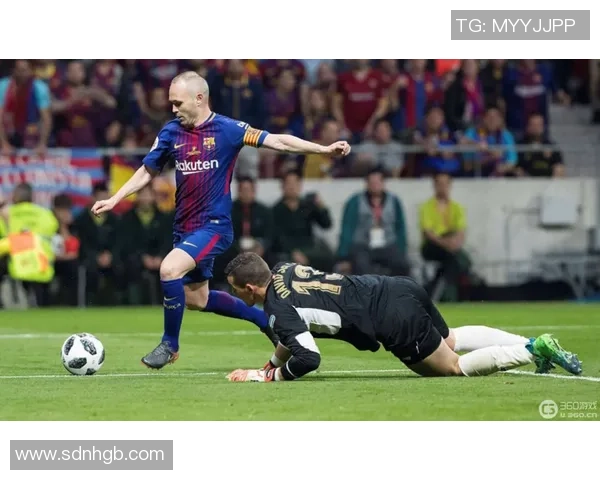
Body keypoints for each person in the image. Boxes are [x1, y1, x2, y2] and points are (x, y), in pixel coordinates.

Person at [91, 71, 351, 369]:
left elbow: (277, 141)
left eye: (178, 103)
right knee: (196, 299)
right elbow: (147, 170)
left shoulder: (229, 129)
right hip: (184, 228)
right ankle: (265, 321)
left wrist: (323, 149)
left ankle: (169, 345)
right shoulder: (170, 132)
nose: (173, 109)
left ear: (199, 98)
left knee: (169, 269)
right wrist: (115, 198)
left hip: (214, 226)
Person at [223, 253, 582, 383]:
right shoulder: (284, 268)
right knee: (451, 339)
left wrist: (271, 377)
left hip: (392, 317)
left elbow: (309, 358)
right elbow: (294, 334)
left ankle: (533, 350)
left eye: (236, 289)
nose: (237, 295)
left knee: (452, 367)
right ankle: (526, 342)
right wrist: (270, 364)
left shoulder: (277, 310)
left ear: (251, 288)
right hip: (397, 287)